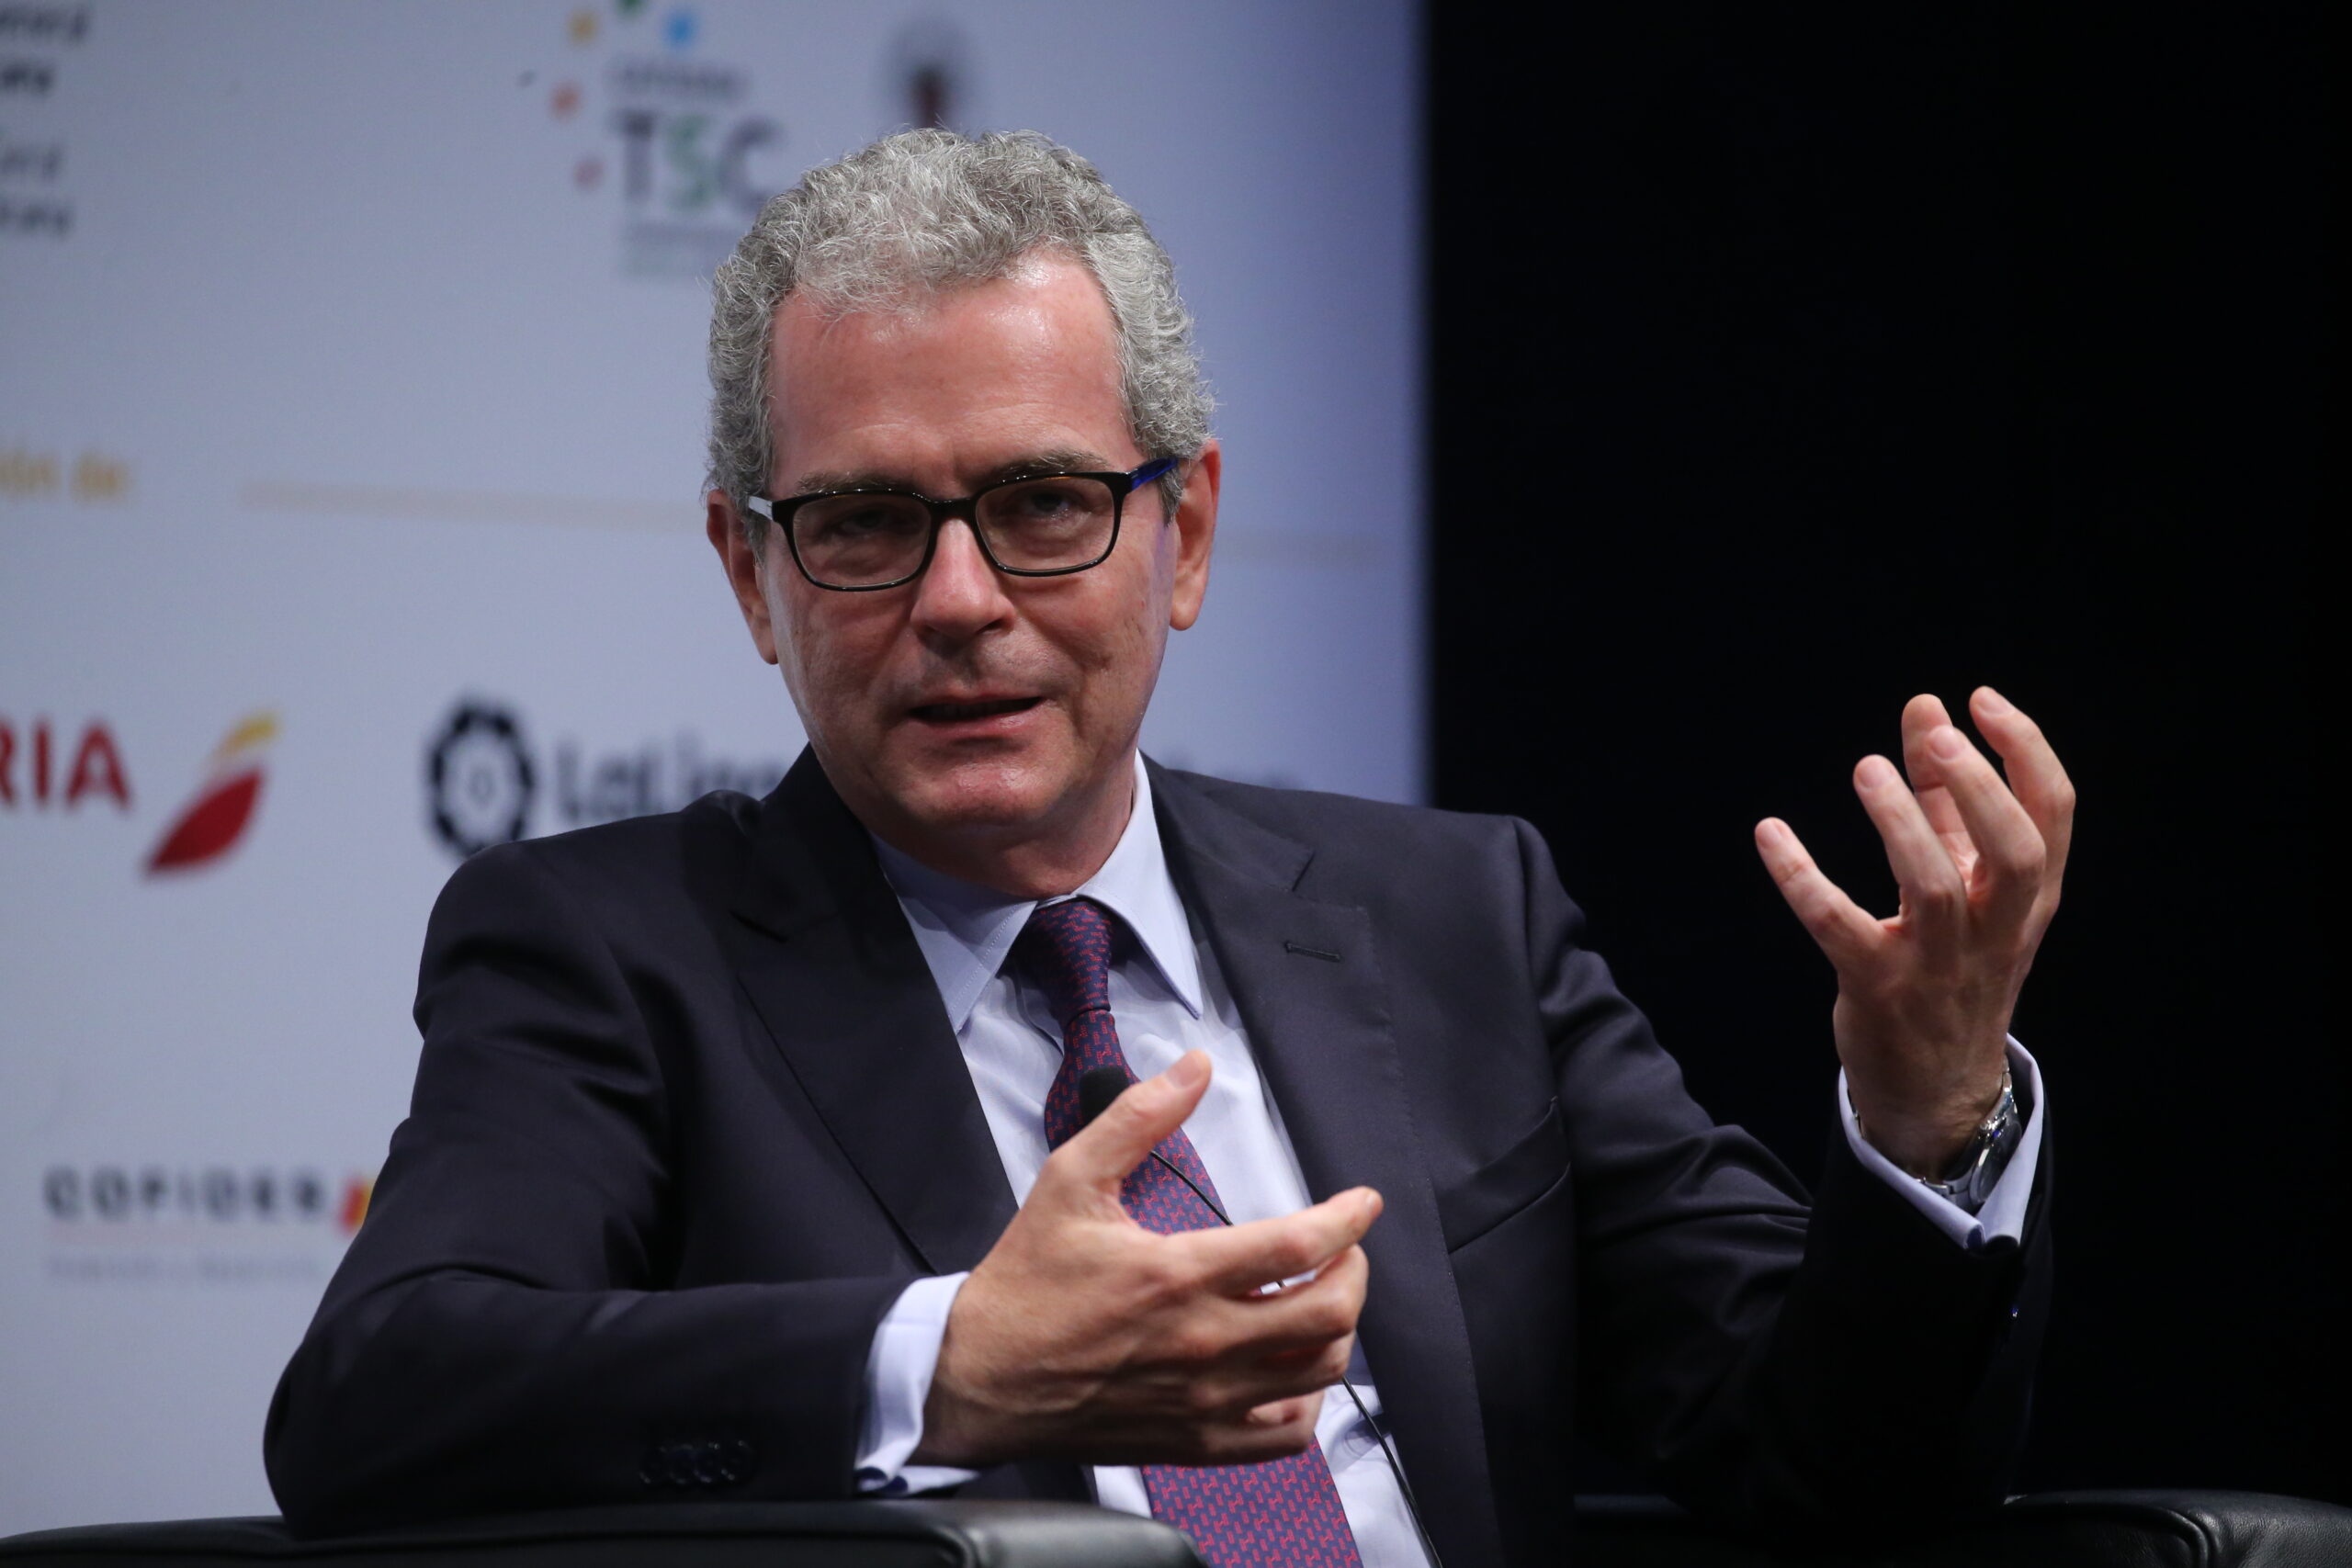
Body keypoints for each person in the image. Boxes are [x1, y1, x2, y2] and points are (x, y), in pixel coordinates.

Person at [266, 130, 2072, 1568]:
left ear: (1184, 532)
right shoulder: (610, 949)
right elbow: (380, 1398)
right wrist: (948, 1361)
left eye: (1043, 502)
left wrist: (1930, 1120)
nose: (959, 601)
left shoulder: (1453, 915)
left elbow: (1830, 1466)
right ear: (754, 576)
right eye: (867, 522)